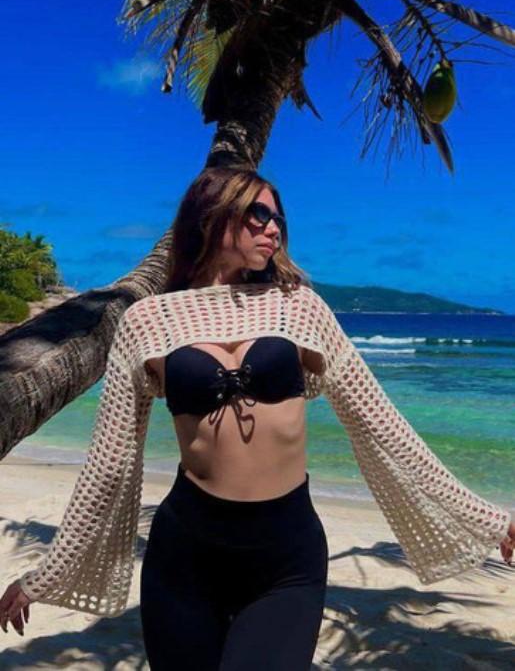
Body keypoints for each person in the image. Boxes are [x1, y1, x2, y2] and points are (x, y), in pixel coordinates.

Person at [1, 167, 514, 671]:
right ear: (212, 216)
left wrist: (491, 519)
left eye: (278, 218)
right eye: (258, 214)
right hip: (186, 554)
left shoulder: (299, 308)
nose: (273, 228)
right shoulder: (148, 321)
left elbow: (382, 425)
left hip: (285, 557)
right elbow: (109, 463)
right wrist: (44, 576)